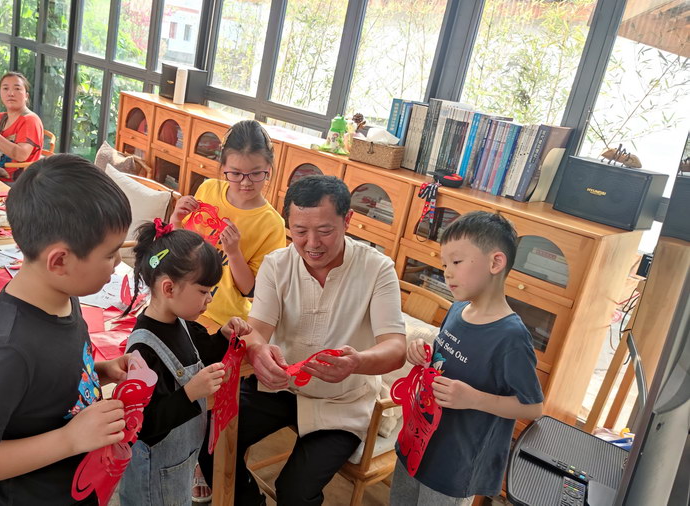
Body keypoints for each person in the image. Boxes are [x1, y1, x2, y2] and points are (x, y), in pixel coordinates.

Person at [0, 154, 133, 505]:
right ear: (60, 260)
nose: (118, 264)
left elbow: (43, 388)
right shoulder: (7, 351)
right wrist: (69, 440)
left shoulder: (62, 294)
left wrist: (99, 372)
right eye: (110, 254)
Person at [200, 175, 408, 505]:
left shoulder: (377, 269)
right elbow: (257, 329)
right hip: (281, 386)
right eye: (299, 231)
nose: (312, 243)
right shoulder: (277, 265)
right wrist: (258, 350)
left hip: (341, 400)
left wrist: (357, 362)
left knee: (296, 491)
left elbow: (396, 348)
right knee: (209, 441)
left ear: (348, 220)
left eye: (325, 230)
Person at [389, 211, 544, 505]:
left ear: (495, 263)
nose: (447, 272)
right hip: (416, 442)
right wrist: (422, 352)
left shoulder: (511, 337)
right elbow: (443, 361)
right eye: (444, 265)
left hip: (453, 466)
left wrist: (474, 399)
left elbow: (533, 407)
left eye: (457, 262)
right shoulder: (458, 309)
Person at [119, 220, 251, 505]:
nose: (209, 300)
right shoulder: (143, 349)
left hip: (180, 463)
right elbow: (143, 425)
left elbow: (203, 351)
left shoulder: (182, 323)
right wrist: (191, 392)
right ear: (169, 288)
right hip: (153, 477)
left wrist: (224, 335)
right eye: (203, 291)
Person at [170, 120, 285, 327]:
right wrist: (176, 219)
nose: (246, 182)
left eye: (256, 173)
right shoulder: (208, 189)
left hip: (222, 321)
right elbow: (179, 250)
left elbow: (251, 291)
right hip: (180, 304)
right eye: (236, 173)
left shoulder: (272, 224)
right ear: (223, 167)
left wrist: (233, 253)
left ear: (268, 168)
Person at [0, 71, 44, 180]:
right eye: (5, 88)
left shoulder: (30, 120)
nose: (11, 93)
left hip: (15, 185)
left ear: (26, 96)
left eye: (17, 89)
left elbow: (21, 155)